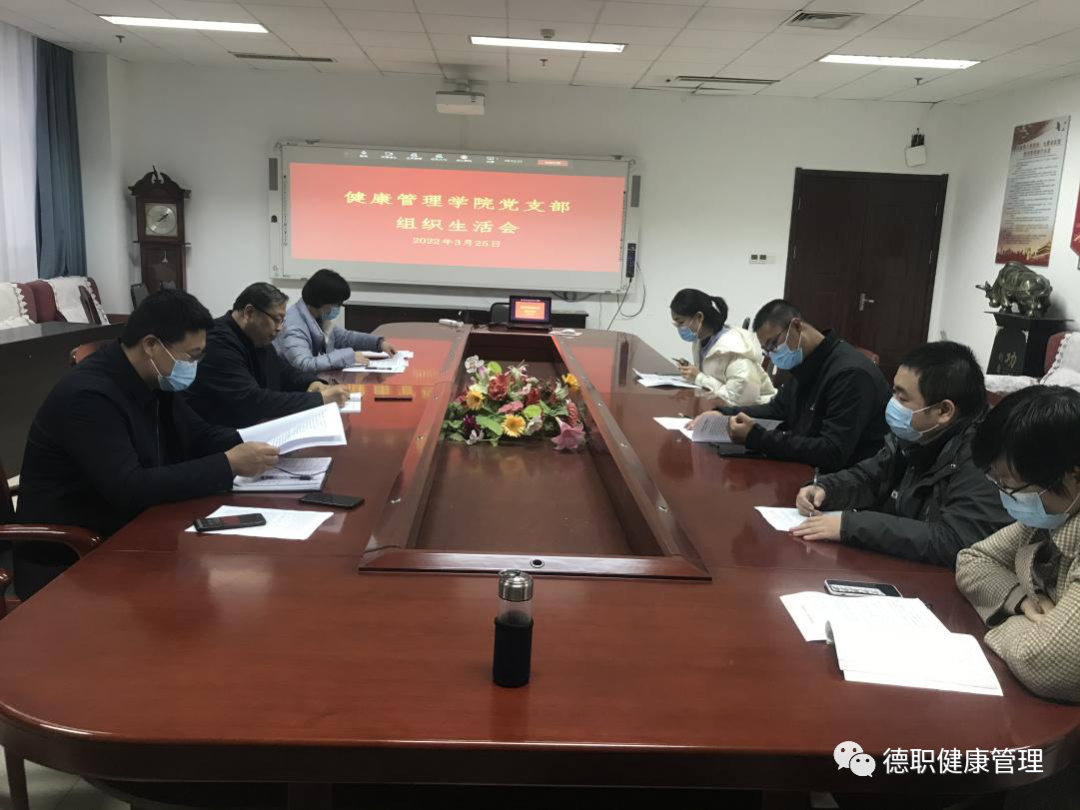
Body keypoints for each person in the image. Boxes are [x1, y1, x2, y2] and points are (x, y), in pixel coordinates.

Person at [14, 289, 279, 599]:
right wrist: (229, 464)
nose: (195, 365)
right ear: (152, 345)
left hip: (130, 531)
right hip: (72, 557)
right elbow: (130, 487)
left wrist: (267, 440)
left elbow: (198, 434)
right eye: (192, 356)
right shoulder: (88, 398)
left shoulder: (152, 377)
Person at [790, 341, 1010, 568]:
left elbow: (954, 540)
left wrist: (850, 525)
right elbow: (872, 477)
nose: (893, 404)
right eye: (893, 391)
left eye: (902, 399)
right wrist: (825, 488)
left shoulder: (985, 456)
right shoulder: (918, 433)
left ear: (944, 411)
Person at [956, 385, 1080, 703]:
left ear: (1073, 478)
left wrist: (1008, 624)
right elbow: (972, 560)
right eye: (997, 482)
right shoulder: (1050, 516)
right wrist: (1023, 601)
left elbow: (1044, 664)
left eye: (1011, 486)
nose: (1005, 495)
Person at [698, 299, 889, 472]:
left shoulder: (850, 374)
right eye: (767, 351)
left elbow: (832, 452)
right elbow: (777, 409)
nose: (773, 354)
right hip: (806, 467)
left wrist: (757, 438)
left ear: (796, 326)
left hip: (841, 481)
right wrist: (724, 414)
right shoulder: (807, 362)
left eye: (773, 344)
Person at [183, 282, 350, 429]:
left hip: (253, 427)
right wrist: (319, 399)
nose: (279, 328)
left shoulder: (256, 337)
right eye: (276, 319)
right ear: (249, 313)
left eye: (282, 321)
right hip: (219, 439)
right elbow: (252, 400)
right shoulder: (218, 342)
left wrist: (313, 383)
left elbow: (283, 371)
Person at [275, 268, 397, 374]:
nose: (339, 307)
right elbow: (305, 365)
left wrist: (378, 343)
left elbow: (344, 338)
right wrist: (349, 356)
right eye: (338, 304)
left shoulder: (316, 315)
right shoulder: (292, 327)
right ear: (325, 304)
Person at [669, 288, 776, 406]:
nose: (679, 329)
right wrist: (693, 373)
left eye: (681, 323)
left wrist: (699, 377)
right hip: (719, 408)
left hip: (755, 412)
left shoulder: (735, 350)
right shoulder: (699, 341)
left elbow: (740, 400)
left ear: (699, 317)